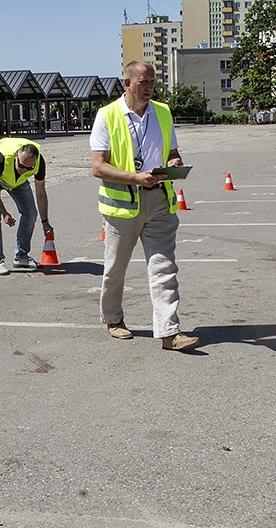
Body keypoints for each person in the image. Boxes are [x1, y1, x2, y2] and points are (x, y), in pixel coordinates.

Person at [90, 61, 199, 352]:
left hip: (159, 201)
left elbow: (173, 152)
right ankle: (113, 319)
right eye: (144, 82)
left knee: (164, 268)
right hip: (122, 206)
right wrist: (136, 178)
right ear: (127, 83)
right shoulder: (107, 116)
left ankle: (169, 332)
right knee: (115, 269)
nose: (150, 87)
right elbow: (98, 167)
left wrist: (174, 163)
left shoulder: (162, 112)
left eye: (152, 82)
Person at [0, 138, 52, 275]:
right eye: (22, 166)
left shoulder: (39, 162)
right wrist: (5, 212)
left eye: (29, 168)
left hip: (16, 182)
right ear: (16, 156)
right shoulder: (1, 159)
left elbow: (41, 193)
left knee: (31, 213)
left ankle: (21, 257)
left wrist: (45, 222)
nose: (25, 170)